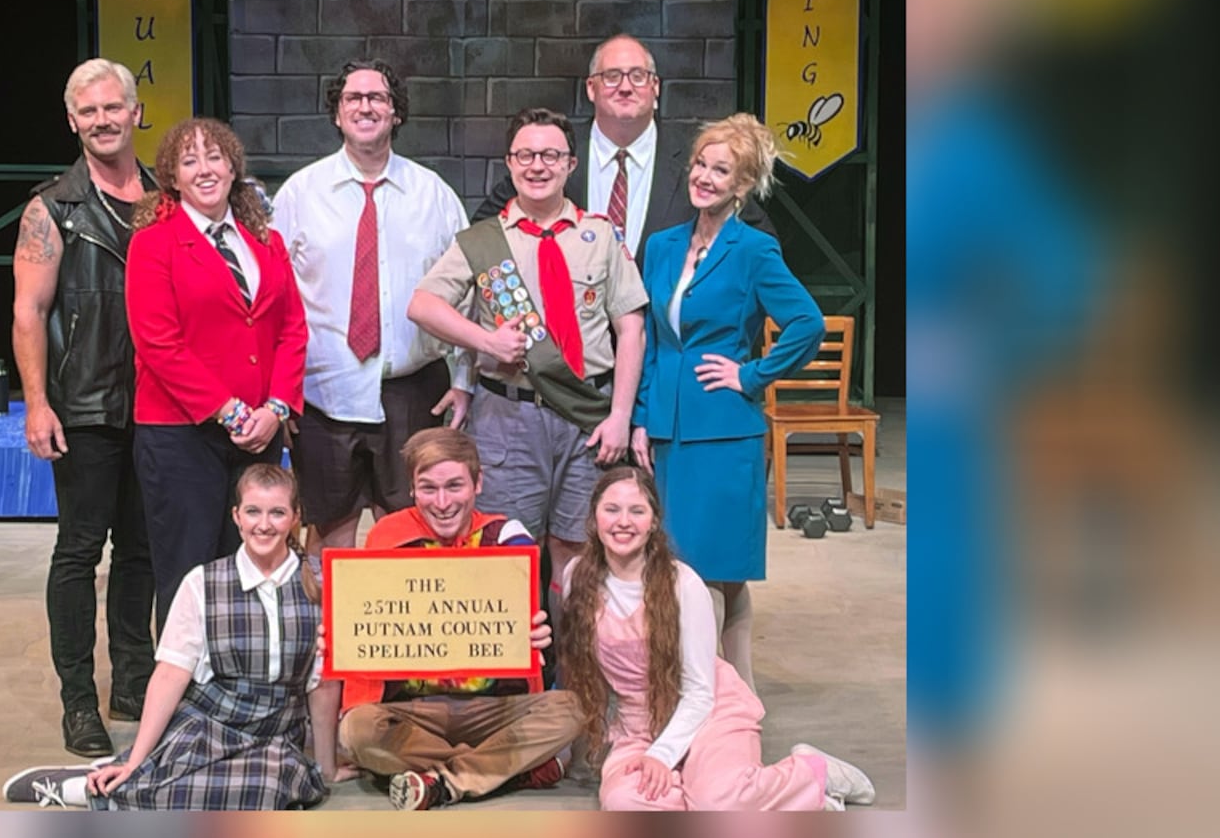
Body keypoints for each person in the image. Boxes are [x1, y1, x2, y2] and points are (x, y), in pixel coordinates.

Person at [409, 107, 646, 626]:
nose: (538, 165)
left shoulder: (600, 235)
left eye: (551, 155)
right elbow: (423, 305)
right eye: (526, 155)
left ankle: (574, 676)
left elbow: (631, 329)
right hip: (508, 418)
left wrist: (621, 417)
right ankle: (516, 683)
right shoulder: (485, 241)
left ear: (570, 164)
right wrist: (484, 339)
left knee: (578, 550)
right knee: (509, 550)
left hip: (588, 419)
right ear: (509, 163)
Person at [1, 465, 333, 809]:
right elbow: (170, 674)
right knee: (167, 776)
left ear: (295, 517)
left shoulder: (321, 582)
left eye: (277, 512)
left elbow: (323, 684)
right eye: (253, 511)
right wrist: (134, 761)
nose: (263, 524)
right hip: (209, 723)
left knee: (266, 789)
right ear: (236, 516)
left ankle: (105, 786)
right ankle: (87, 786)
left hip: (274, 734)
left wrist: (327, 769)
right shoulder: (203, 583)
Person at [630, 113, 824, 691]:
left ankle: (716, 706)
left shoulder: (754, 250)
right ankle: (729, 700)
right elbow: (650, 342)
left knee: (713, 573)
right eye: (700, 165)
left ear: (741, 186)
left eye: (722, 170)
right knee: (688, 572)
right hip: (668, 431)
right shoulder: (662, 247)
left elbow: (806, 324)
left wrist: (751, 375)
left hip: (723, 432)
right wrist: (641, 419)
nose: (705, 177)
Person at [560, 466, 876, 811]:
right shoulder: (577, 578)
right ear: (594, 517)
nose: (623, 521)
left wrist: (663, 756)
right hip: (639, 726)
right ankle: (744, 799)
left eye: (637, 511)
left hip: (709, 712)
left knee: (717, 801)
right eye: (611, 509)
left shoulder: (683, 584)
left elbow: (699, 691)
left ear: (653, 522)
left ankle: (811, 774)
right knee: (625, 805)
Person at [11, 58, 157, 757]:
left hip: (160, 405)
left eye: (112, 107)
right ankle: (79, 702)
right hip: (86, 404)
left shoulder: (169, 196)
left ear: (136, 112)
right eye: (87, 111)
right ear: (72, 121)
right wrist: (38, 403)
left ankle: (133, 680)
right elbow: (29, 311)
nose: (102, 120)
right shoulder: (52, 207)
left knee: (143, 551)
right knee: (77, 552)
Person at [271, 58, 472, 557]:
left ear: (395, 113)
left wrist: (465, 379)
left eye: (377, 97)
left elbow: (470, 295)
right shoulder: (300, 193)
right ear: (337, 114)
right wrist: (278, 393)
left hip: (413, 392)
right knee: (327, 545)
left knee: (412, 537)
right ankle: (327, 637)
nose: (365, 106)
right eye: (353, 99)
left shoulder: (435, 196)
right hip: (322, 395)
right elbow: (275, 298)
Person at [124, 117, 309, 640]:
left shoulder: (264, 241)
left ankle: (245, 690)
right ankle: (186, 702)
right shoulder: (154, 245)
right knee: (188, 573)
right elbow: (158, 342)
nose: (204, 169)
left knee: (254, 567)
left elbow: (293, 328)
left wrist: (275, 409)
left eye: (214, 157)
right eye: (189, 161)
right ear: (172, 179)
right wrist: (229, 411)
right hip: (181, 435)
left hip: (260, 433)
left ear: (233, 167)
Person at [333, 427, 579, 810]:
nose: (443, 502)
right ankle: (502, 768)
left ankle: (444, 780)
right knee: (356, 732)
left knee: (571, 709)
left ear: (478, 483)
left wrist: (532, 632)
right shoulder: (387, 537)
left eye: (454, 486)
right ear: (412, 489)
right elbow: (370, 624)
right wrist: (343, 635)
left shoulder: (507, 539)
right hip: (413, 710)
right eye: (428, 488)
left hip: (490, 709)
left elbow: (521, 620)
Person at [471, 34, 775, 269]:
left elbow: (760, 242)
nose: (625, 87)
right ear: (591, 88)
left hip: (665, 342)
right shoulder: (554, 152)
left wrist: (724, 317)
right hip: (570, 341)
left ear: (655, 87)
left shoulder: (696, 159)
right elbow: (482, 234)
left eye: (638, 76)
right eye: (612, 76)